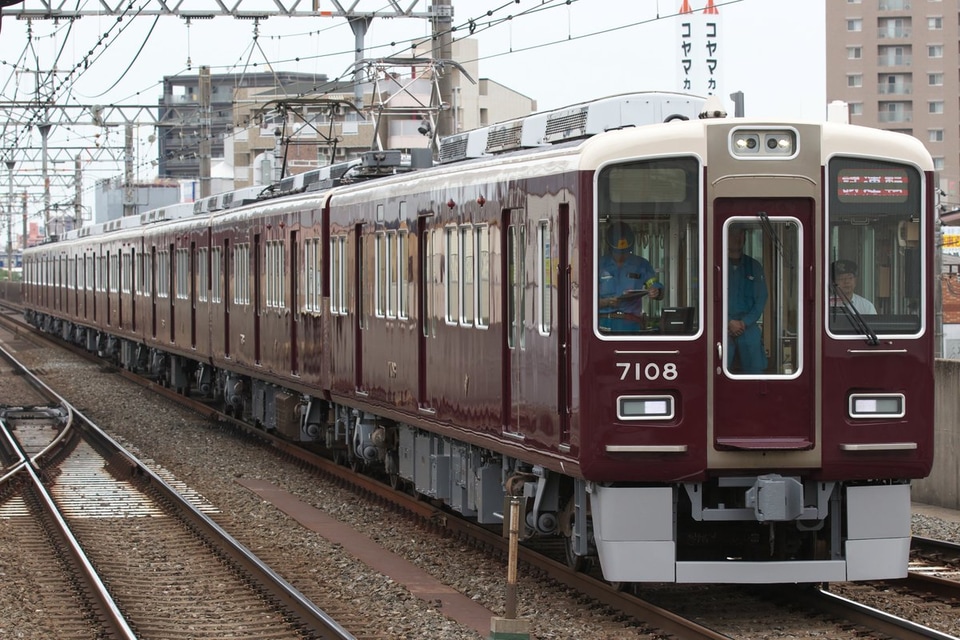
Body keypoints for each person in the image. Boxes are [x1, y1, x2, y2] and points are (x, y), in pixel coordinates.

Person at [598, 221, 663, 332]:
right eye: (618, 253)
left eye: (625, 252)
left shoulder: (641, 264)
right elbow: (584, 300)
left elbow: (655, 285)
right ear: (610, 248)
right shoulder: (598, 265)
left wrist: (656, 291)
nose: (622, 256)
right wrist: (606, 302)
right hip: (602, 325)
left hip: (631, 325)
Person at [727, 228, 768, 373]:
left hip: (747, 326)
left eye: (741, 233)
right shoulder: (715, 265)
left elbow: (761, 298)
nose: (738, 237)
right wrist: (727, 321)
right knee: (716, 371)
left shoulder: (754, 266)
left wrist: (744, 322)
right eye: (733, 233)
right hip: (721, 327)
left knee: (755, 373)